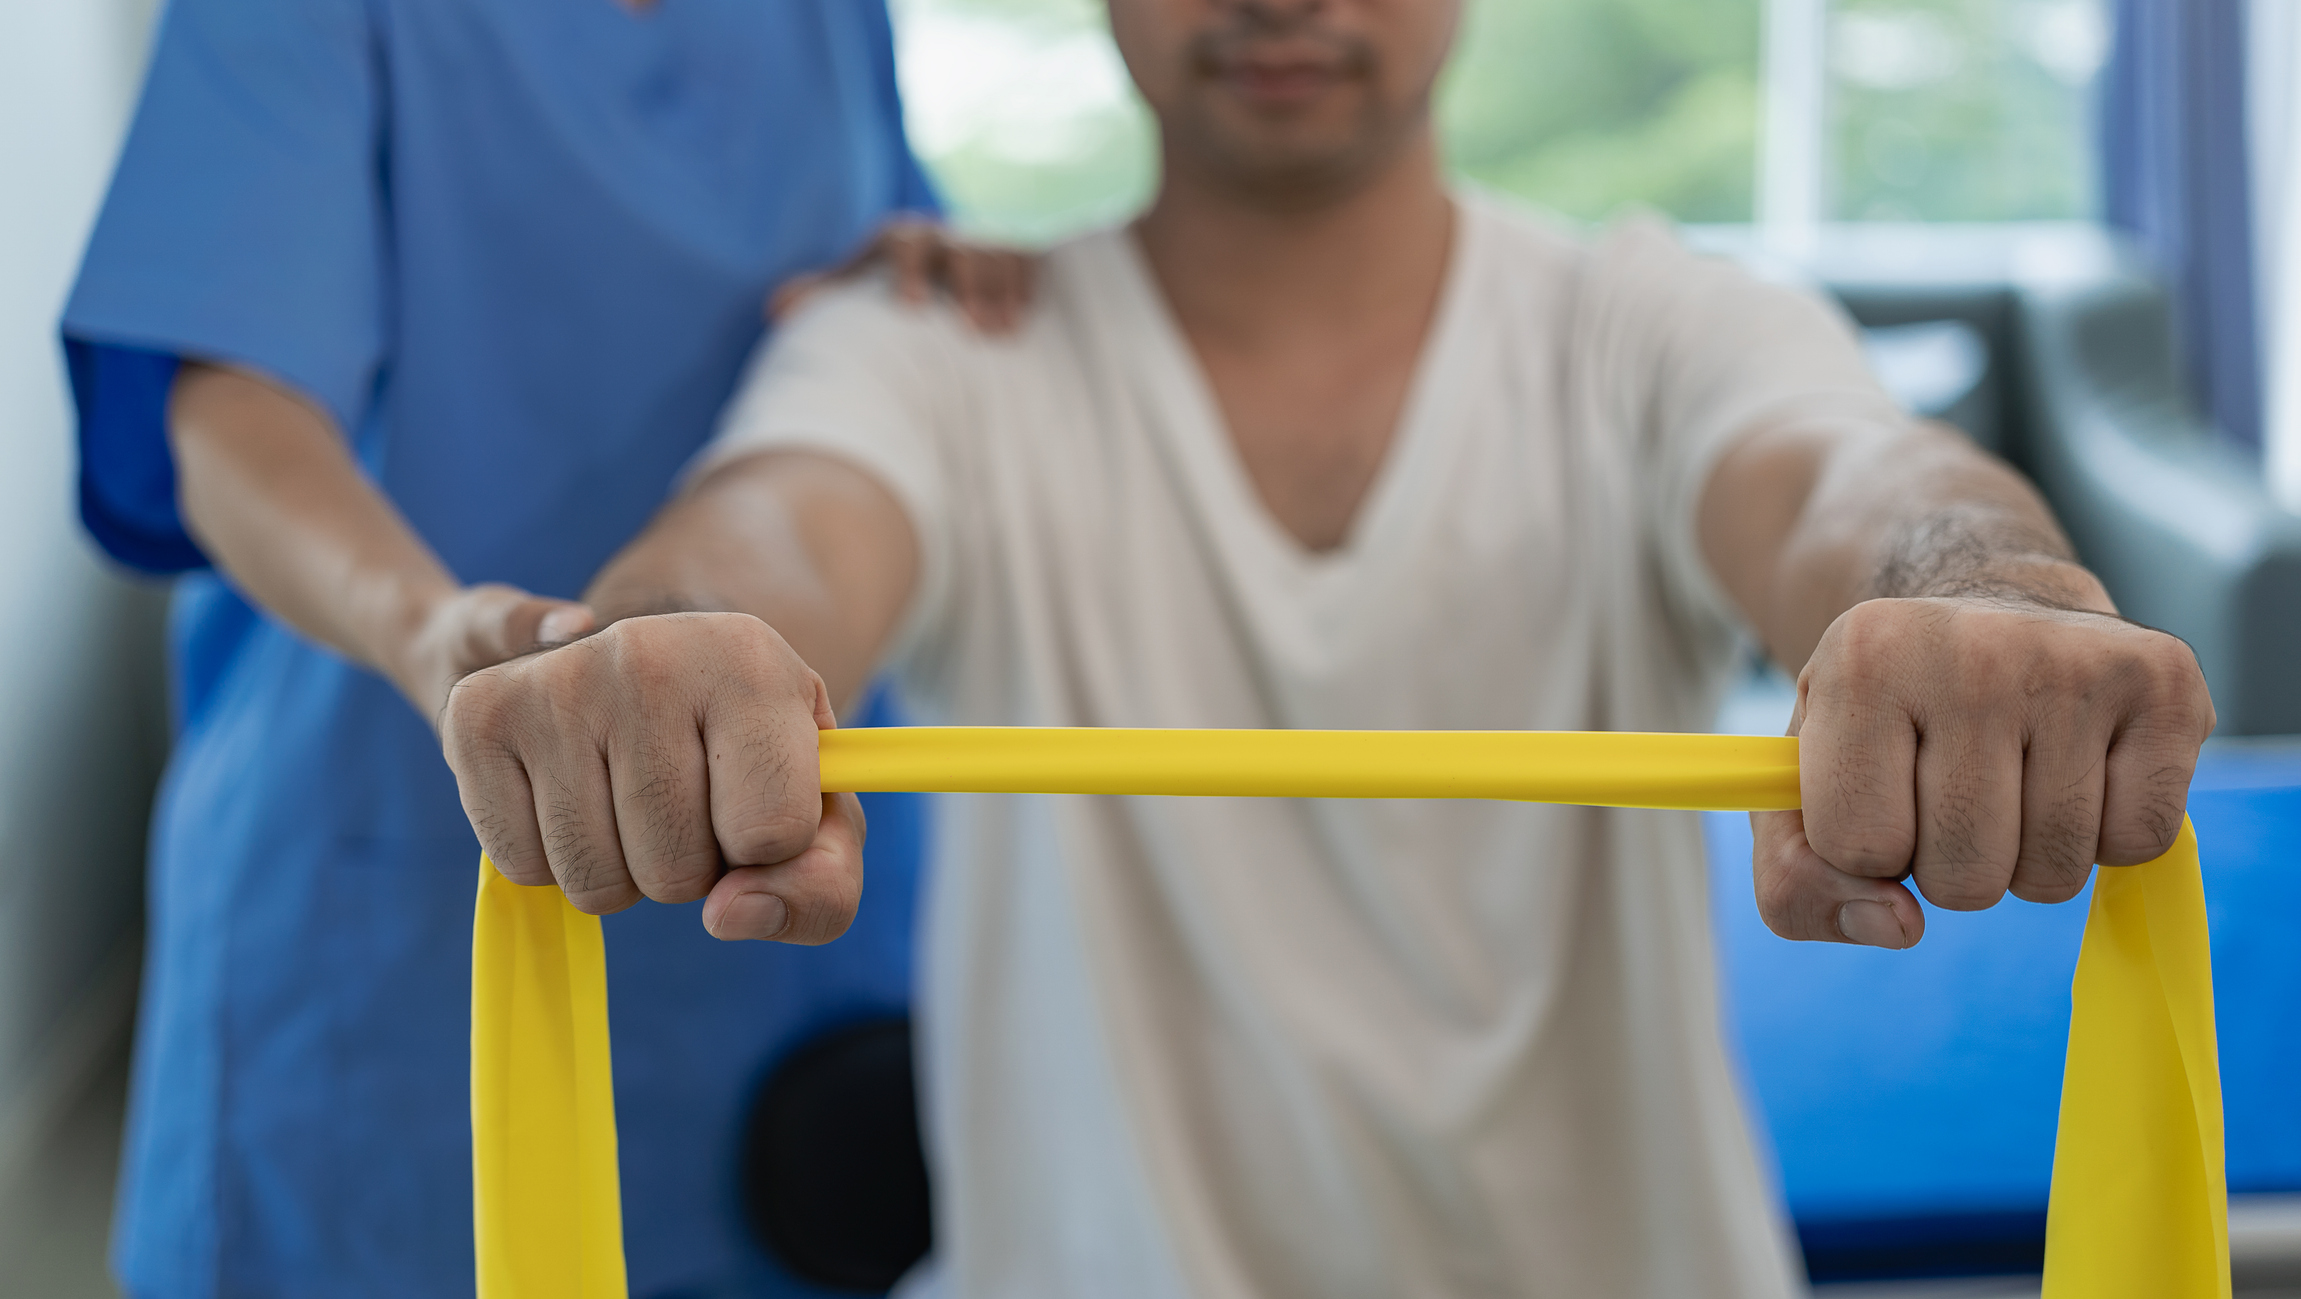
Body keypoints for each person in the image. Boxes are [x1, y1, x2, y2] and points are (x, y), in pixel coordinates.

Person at [443, 0, 2217, 1292]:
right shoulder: (931, 349)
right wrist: (676, 647)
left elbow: (1851, 481)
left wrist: (1976, 593)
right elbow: (775, 530)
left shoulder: (1653, 321)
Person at [59, 0, 1023, 1293]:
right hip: (403, 889)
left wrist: (911, 271)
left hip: (762, 888)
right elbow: (231, 406)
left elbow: (842, 313)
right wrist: (432, 632)